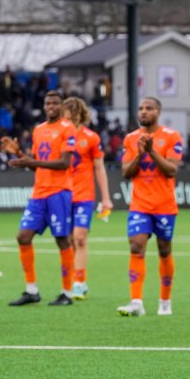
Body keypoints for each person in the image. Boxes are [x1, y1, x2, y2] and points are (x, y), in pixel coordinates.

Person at [2, 90, 77, 306]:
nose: (51, 106)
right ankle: (31, 290)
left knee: (62, 239)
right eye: (48, 103)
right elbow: (36, 166)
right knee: (23, 237)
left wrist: (31, 161)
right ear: (44, 106)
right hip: (39, 193)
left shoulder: (68, 128)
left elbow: (64, 163)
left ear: (61, 107)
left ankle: (67, 293)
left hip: (59, 192)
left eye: (55, 103)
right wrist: (20, 155)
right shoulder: (39, 130)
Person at [117, 97, 183, 316]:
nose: (143, 112)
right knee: (136, 246)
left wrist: (152, 151)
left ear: (158, 112)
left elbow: (171, 170)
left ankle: (165, 301)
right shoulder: (130, 139)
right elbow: (126, 172)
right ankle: (136, 302)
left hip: (164, 205)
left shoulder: (172, 136)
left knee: (164, 250)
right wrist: (140, 153)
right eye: (141, 108)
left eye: (149, 108)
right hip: (140, 204)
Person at [62, 97, 113, 300]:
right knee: (68, 240)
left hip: (84, 195)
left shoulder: (91, 138)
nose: (69, 122)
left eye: (72, 118)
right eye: (66, 118)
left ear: (80, 116)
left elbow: (99, 168)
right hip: (63, 194)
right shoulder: (58, 136)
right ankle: (74, 278)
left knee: (80, 237)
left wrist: (106, 198)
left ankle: (79, 282)